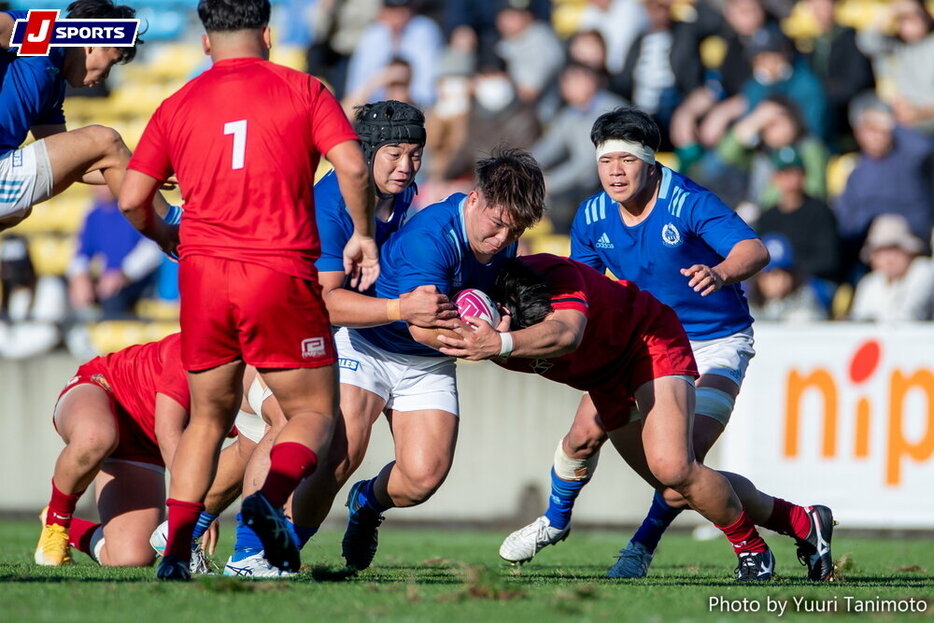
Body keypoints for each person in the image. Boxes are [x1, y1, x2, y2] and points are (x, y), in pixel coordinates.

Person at [118, 0, 377, 581]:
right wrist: (362, 235)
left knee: (207, 419)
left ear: (205, 42)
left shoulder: (177, 103)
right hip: (277, 271)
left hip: (204, 276)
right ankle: (264, 502)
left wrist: (168, 236)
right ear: (267, 33)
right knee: (312, 409)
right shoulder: (304, 90)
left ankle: (177, 552)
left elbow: (132, 197)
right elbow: (355, 169)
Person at [496, 107, 772, 579]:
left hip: (714, 343)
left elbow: (754, 250)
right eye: (606, 162)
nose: (615, 172)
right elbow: (580, 291)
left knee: (682, 465)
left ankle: (640, 548)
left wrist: (720, 272)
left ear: (649, 160)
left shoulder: (687, 201)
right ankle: (555, 521)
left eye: (626, 160)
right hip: (641, 344)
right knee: (585, 439)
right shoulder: (592, 214)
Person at [438, 254, 834, 582]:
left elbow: (567, 335)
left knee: (674, 466)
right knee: (676, 481)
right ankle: (803, 522)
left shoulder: (550, 275)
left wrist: (504, 341)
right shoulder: (483, 344)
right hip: (606, 378)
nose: (470, 339)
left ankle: (752, 551)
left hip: (646, 342)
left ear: (502, 310)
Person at [221, 100, 460, 576]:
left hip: (335, 332)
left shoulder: (400, 190)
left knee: (290, 440)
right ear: (366, 152)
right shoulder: (330, 209)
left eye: (414, 153)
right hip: (280, 324)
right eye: (394, 153)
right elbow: (325, 301)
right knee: (294, 429)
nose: (407, 166)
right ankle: (249, 552)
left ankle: (200, 529)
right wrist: (399, 308)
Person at [287, 148, 545, 572]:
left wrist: (501, 320)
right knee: (341, 453)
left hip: (427, 362)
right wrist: (486, 341)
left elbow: (479, 302)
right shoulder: (432, 237)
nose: (501, 240)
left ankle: (367, 503)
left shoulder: (505, 237)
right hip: (371, 342)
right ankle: (280, 551)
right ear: (476, 198)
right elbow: (421, 326)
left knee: (424, 477)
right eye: (497, 225)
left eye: (512, 230)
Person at [0, 1, 174, 232]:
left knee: (19, 211)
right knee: (105, 139)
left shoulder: (52, 89)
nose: (105, 75)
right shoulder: (44, 32)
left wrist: (144, 175)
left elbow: (77, 165)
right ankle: (174, 223)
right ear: (93, 43)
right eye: (110, 62)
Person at [34, 334, 192, 569]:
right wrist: (195, 503)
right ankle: (57, 521)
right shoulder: (197, 351)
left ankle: (72, 529)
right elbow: (168, 431)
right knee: (94, 437)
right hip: (106, 387)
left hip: (145, 444)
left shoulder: (254, 376)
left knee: (131, 558)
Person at [68, 186, 163, 319]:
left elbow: (153, 248)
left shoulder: (136, 210)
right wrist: (80, 277)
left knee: (112, 297)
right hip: (106, 281)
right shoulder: (93, 215)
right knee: (72, 291)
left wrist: (124, 274)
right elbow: (81, 252)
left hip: (138, 281)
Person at [850, 214, 933, 322]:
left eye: (895, 249)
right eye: (882, 251)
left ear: (909, 252)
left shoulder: (924, 271)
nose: (890, 259)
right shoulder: (869, 283)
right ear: (873, 258)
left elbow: (907, 317)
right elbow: (859, 320)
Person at [747, 234, 826, 322]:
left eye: (785, 272)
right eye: (772, 273)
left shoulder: (806, 303)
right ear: (758, 276)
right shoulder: (745, 307)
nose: (780, 280)